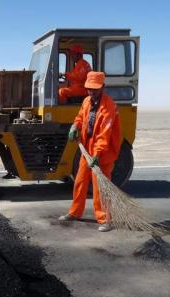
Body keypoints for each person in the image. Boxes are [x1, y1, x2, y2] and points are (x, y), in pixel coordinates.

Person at [59, 72, 121, 232]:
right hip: (87, 148)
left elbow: (104, 135)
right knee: (80, 181)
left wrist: (97, 154)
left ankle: (105, 219)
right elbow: (80, 117)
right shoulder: (87, 101)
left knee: (100, 186)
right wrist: (75, 126)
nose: (91, 92)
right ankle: (75, 212)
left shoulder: (109, 106)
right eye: (89, 89)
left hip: (103, 152)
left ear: (103, 87)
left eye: (95, 89)